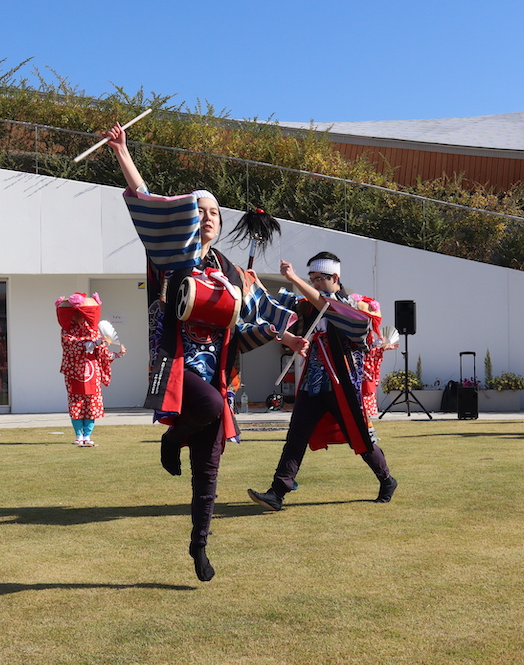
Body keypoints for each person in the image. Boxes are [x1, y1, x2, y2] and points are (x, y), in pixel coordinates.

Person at [104, 122, 307, 581]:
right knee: (212, 408)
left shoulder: (232, 272)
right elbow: (147, 203)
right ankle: (171, 439)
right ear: (189, 216)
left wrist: (286, 337)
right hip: (177, 365)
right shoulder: (172, 255)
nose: (210, 215)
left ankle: (199, 547)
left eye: (216, 210)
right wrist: (122, 152)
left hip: (216, 371)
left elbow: (255, 314)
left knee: (210, 465)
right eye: (202, 208)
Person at [247, 253, 397, 512]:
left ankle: (387, 479)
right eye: (312, 279)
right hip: (313, 383)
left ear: (335, 278)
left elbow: (325, 304)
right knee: (296, 436)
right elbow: (275, 306)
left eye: (319, 279)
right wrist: (253, 283)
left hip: (342, 384)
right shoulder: (308, 305)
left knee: (358, 436)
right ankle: (277, 492)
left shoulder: (350, 307)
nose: (315, 283)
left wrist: (293, 277)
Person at [57, 292, 126, 447]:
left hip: (92, 372)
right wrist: (91, 343)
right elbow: (71, 345)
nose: (79, 317)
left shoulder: (94, 331)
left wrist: (117, 354)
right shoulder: (66, 331)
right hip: (74, 372)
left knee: (91, 404)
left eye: (81, 313)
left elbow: (102, 354)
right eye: (76, 313)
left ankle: (87, 435)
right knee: (76, 403)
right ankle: (78, 435)